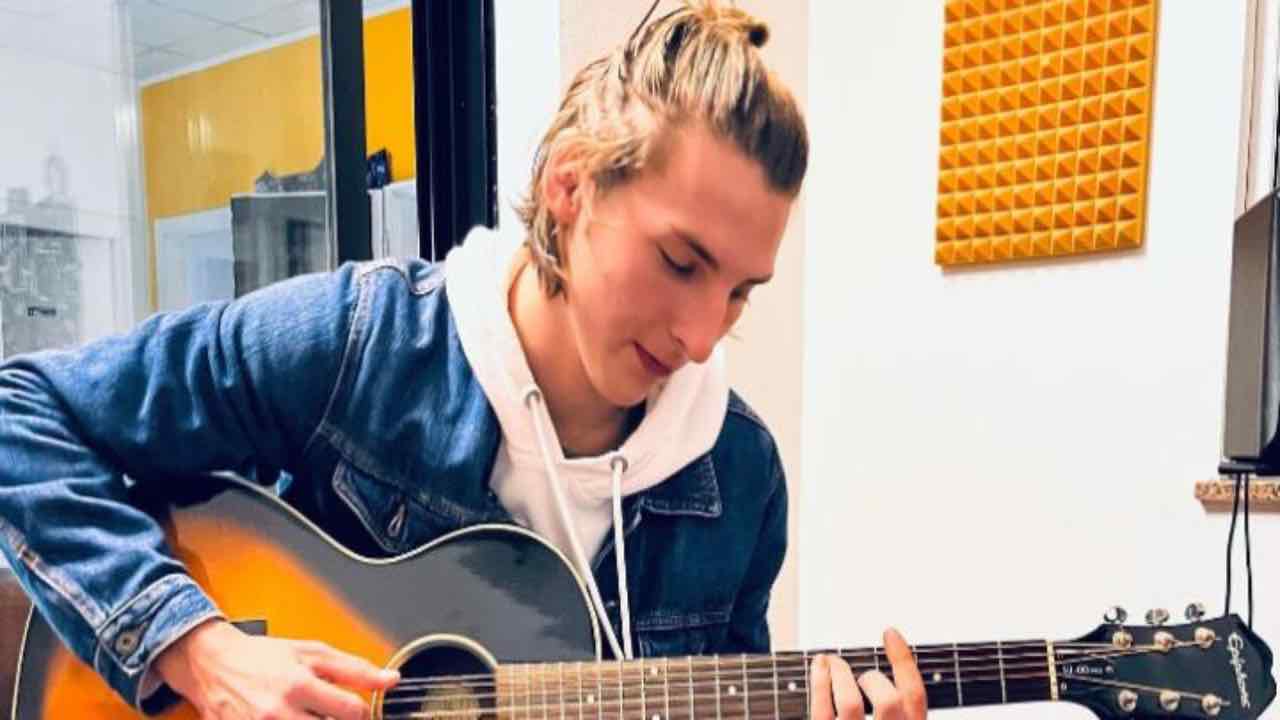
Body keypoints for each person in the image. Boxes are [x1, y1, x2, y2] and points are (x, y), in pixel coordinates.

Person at [0, 2, 926, 719]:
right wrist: (200, 650)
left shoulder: (739, 476)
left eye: (739, 293)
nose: (700, 337)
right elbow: (22, 412)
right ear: (570, 186)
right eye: (680, 263)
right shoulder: (360, 346)